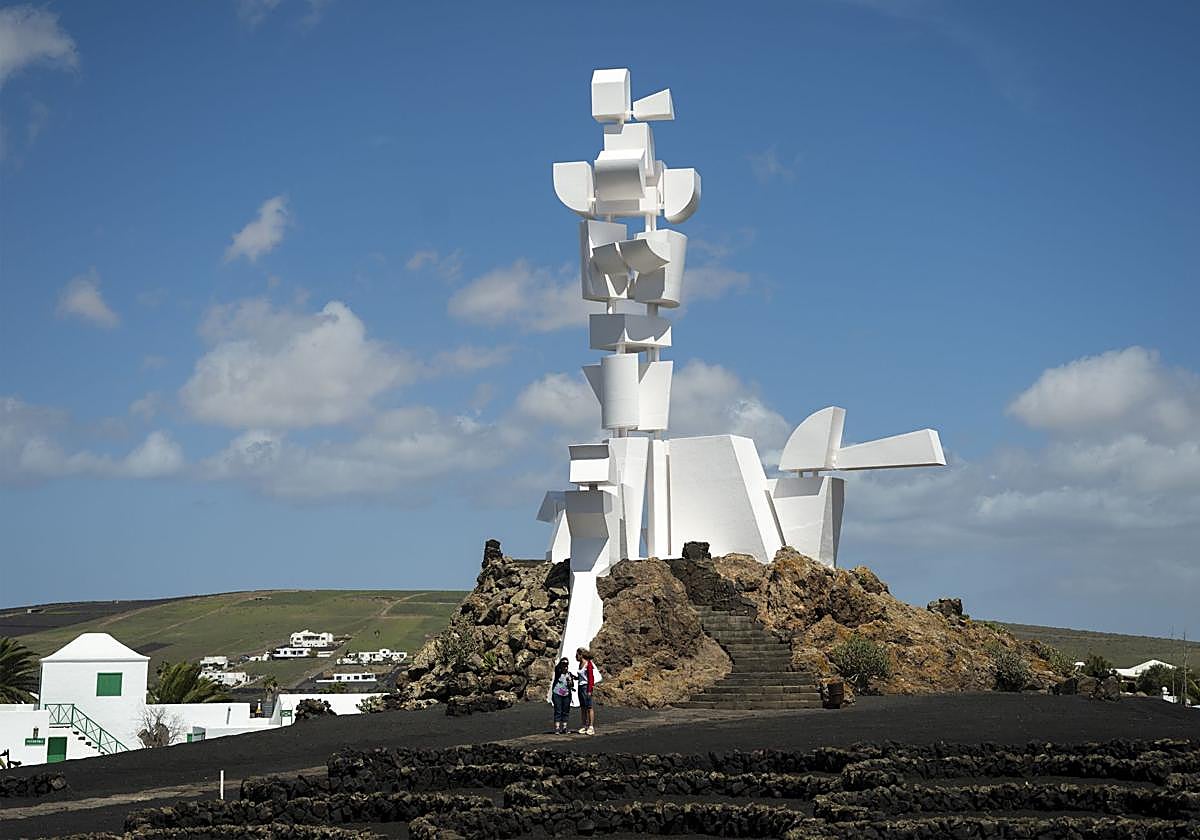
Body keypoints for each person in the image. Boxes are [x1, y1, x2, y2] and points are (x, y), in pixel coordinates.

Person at [575, 648, 602, 735]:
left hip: (586, 687)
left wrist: (589, 690)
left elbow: (591, 678)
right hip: (580, 686)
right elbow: (582, 676)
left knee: (589, 707)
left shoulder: (588, 664)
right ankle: (584, 725)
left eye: (577, 655)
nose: (576, 657)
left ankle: (591, 726)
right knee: (583, 707)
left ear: (581, 655)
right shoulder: (580, 664)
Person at [549, 657, 574, 734]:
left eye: (566, 664)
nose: (565, 666)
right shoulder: (558, 673)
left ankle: (564, 727)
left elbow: (572, 685)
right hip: (557, 694)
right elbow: (556, 668)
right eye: (564, 664)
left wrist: (570, 682)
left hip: (567, 694)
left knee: (566, 711)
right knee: (558, 710)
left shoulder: (569, 674)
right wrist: (562, 661)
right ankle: (557, 728)